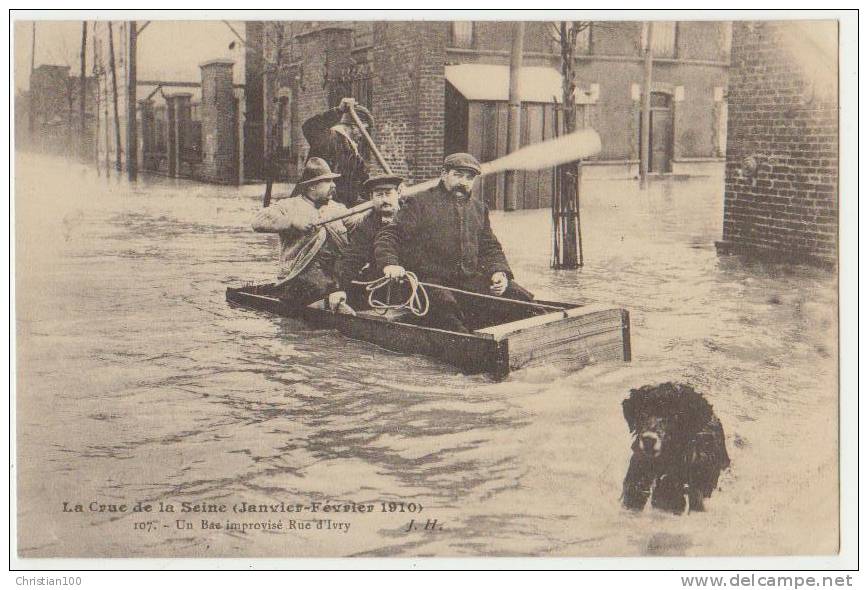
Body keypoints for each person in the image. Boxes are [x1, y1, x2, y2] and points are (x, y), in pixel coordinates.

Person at [374, 153, 534, 333]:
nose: (463, 182)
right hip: (430, 282)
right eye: (458, 175)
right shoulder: (419, 203)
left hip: (469, 281)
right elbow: (389, 235)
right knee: (448, 312)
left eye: (469, 177)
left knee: (521, 299)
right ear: (444, 174)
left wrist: (499, 272)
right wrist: (390, 264)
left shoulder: (479, 208)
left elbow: (490, 247)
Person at [251, 157, 355, 308]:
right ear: (312, 186)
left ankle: (332, 300)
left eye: (333, 181)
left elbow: (356, 221)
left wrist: (379, 208)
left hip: (332, 274)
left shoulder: (337, 208)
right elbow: (257, 222)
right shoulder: (289, 206)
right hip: (297, 277)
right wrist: (292, 222)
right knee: (321, 285)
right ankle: (328, 304)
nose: (333, 185)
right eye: (327, 181)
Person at [329, 174, 404, 312]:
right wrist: (339, 289)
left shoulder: (412, 216)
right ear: (371, 198)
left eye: (388, 194)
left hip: (414, 280)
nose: (384, 200)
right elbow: (352, 257)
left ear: (399, 193)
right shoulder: (367, 225)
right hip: (382, 283)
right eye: (379, 195)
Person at [302, 97, 372, 208]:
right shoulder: (329, 138)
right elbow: (309, 127)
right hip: (313, 205)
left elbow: (364, 181)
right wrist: (338, 111)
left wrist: (382, 190)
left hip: (337, 207)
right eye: (364, 130)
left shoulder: (355, 154)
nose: (364, 135)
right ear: (354, 127)